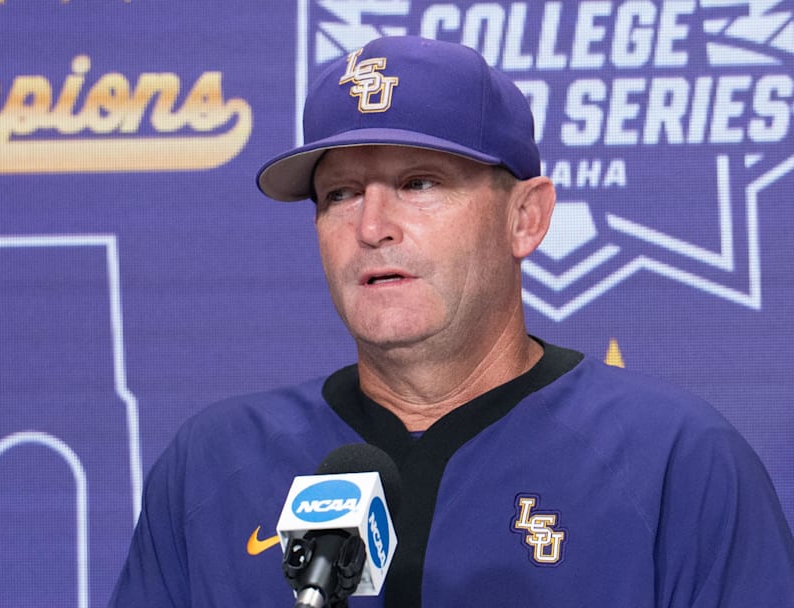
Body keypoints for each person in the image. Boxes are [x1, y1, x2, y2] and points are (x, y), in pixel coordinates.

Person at [108, 36, 794, 607]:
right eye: (339, 193)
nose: (372, 226)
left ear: (526, 217)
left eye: (419, 183)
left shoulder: (674, 462)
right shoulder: (213, 467)